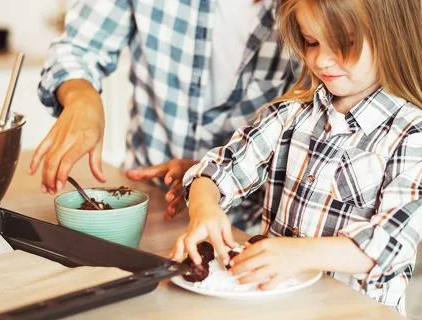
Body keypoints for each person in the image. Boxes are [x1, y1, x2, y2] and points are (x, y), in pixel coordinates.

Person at [171, 0, 422, 314]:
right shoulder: (290, 114)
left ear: (392, 36)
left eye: (343, 44)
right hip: (279, 306)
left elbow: (387, 245)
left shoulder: (412, 134)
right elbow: (219, 169)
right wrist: (205, 208)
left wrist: (296, 254)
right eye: (312, 42)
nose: (322, 60)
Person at [29, 0, 298, 223]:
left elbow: (315, 124)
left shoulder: (305, 11)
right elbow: (78, 48)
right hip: (148, 205)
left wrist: (210, 175)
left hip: (251, 223)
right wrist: (81, 97)